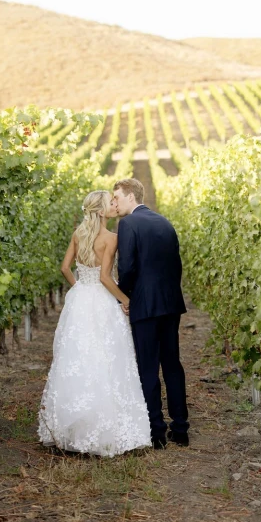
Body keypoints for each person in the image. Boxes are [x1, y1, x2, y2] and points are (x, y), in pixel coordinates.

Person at [38, 190, 151, 456]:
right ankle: (105, 429)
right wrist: (126, 300)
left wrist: (78, 288)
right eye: (110, 203)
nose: (114, 205)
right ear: (101, 211)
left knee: (77, 356)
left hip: (80, 300)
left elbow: (65, 267)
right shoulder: (111, 238)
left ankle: (72, 431)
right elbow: (105, 278)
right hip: (101, 300)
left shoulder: (79, 233)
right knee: (109, 357)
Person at [111, 178, 189, 450]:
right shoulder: (165, 223)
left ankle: (156, 430)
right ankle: (181, 429)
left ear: (131, 197)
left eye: (117, 197)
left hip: (144, 304)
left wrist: (123, 296)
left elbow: (128, 266)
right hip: (170, 303)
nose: (115, 203)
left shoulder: (128, 224)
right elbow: (176, 265)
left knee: (148, 366)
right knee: (172, 364)